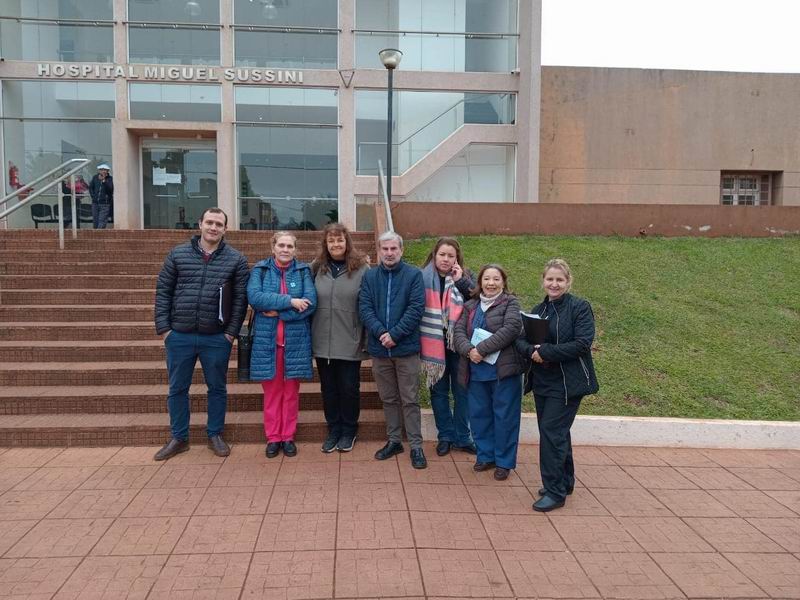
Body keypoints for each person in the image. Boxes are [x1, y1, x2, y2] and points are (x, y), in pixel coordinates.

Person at [153, 207, 250, 461]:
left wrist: (230, 334)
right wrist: (165, 329)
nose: (213, 228)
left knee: (217, 388)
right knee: (177, 388)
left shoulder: (236, 259)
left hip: (216, 337)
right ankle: (179, 437)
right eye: (210, 222)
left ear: (225, 229)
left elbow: (240, 300)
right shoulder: (178, 254)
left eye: (219, 224)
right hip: (179, 335)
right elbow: (163, 291)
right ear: (200, 224)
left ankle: (215, 434)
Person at [516, 258, 599, 512]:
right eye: (550, 279)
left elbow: (582, 343)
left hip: (567, 383)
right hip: (542, 382)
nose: (554, 284)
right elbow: (521, 340)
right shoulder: (538, 310)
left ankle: (554, 492)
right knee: (555, 433)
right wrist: (532, 352)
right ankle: (564, 481)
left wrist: (545, 352)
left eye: (559, 280)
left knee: (552, 433)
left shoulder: (579, 307)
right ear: (543, 281)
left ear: (568, 281)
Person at [359, 231, 427, 469]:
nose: (389, 253)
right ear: (379, 251)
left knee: (410, 399)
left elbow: (416, 308)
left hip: (406, 349)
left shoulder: (414, 275)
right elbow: (365, 307)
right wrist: (381, 333)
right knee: (388, 398)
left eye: (393, 249)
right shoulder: (370, 276)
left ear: (401, 250)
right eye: (385, 249)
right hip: (380, 350)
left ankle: (416, 446)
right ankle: (394, 441)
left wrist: (395, 335)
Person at [453, 264, 526, 481]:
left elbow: (511, 329)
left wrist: (481, 350)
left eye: (496, 279)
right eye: (486, 279)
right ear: (480, 282)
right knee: (479, 415)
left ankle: (504, 462)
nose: (491, 283)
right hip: (475, 371)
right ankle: (485, 455)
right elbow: (458, 332)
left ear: (503, 282)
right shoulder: (470, 305)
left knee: (505, 418)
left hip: (503, 372)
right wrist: (469, 351)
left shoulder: (511, 303)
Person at [248, 231, 317, 458]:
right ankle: (273, 437)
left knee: (291, 393)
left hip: (295, 343)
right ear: (273, 247)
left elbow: (310, 303)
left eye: (290, 246)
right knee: (272, 392)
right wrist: (290, 301)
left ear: (295, 250)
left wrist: (278, 312)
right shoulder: (260, 270)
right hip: (267, 343)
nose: (285, 249)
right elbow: (255, 298)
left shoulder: (303, 271)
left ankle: (288, 436)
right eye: (281, 245)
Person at [311, 223, 370, 453]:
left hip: (350, 339)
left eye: (340, 240)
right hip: (322, 340)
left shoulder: (362, 269)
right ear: (325, 244)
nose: (336, 244)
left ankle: (349, 430)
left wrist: (366, 337)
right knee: (328, 388)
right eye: (331, 240)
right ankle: (334, 429)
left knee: (349, 388)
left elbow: (368, 303)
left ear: (347, 242)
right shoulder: (317, 268)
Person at [419, 237, 477, 457]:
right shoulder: (422, 277)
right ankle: (445, 436)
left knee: (462, 391)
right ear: (435, 255)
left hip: (459, 344)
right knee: (439, 392)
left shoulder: (466, 277)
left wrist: (461, 281)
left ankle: (463, 437)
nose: (445, 259)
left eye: (450, 255)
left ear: (457, 258)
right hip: (432, 342)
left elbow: (477, 301)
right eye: (442, 254)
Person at [89, 163, 113, 229]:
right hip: (95, 203)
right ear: (99, 170)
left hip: (105, 204)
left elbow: (110, 189)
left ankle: (99, 234)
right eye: (102, 169)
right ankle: (95, 234)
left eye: (105, 170)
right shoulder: (95, 177)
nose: (103, 171)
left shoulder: (110, 179)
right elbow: (91, 188)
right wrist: (93, 196)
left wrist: (104, 181)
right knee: (95, 221)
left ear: (108, 171)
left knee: (102, 221)